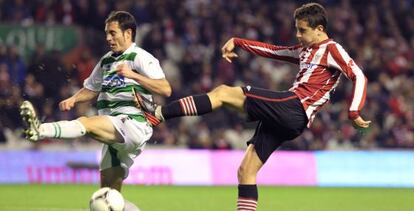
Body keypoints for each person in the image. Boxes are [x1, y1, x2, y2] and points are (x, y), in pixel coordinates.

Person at [136, 3, 371, 211]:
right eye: (297, 29)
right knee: (246, 171)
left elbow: (359, 76)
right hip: (290, 117)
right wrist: (238, 42)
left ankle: (157, 114)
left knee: (223, 92)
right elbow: (274, 51)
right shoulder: (306, 50)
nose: (298, 35)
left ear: (320, 29)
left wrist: (354, 111)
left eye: (303, 30)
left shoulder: (332, 48)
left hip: (295, 107)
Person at [20, 11, 171, 210]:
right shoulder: (106, 61)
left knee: (86, 123)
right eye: (107, 33)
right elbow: (92, 89)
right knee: (110, 197)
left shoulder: (141, 57)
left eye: (113, 33)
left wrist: (133, 75)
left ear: (128, 33)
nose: (108, 38)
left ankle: (40, 130)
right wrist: (74, 98)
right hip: (114, 134)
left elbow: (165, 88)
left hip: (133, 123)